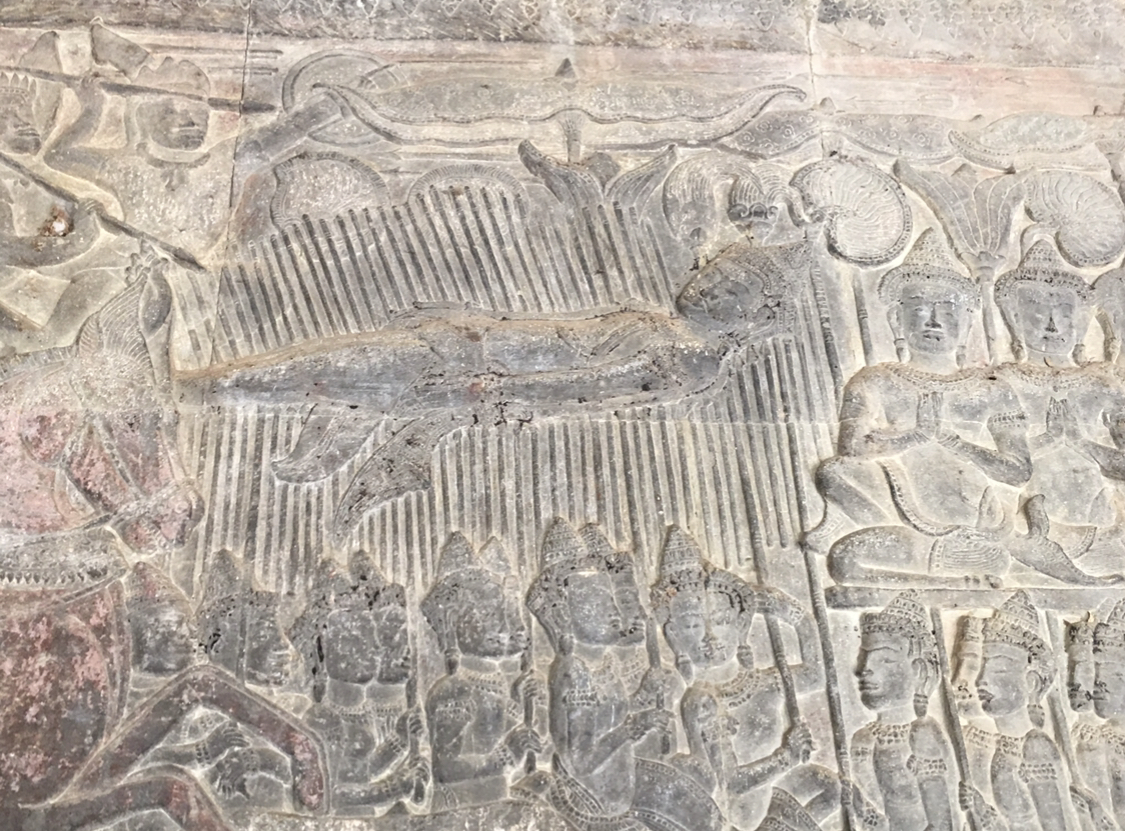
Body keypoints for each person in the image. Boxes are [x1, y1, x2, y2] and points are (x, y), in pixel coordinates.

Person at [813, 230, 1031, 587]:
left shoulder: (992, 389)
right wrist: (915, 436)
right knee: (834, 479)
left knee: (993, 556)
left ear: (966, 323)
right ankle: (953, 580)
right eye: (919, 309)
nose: (933, 321)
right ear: (897, 320)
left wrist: (955, 443)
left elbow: (1018, 472)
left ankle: (957, 563)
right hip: (897, 511)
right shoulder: (875, 380)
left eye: (947, 310)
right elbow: (851, 448)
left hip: (972, 525)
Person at [526, 517, 672, 815]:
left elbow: (611, 714)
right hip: (587, 801)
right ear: (565, 614)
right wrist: (633, 728)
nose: (613, 611)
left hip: (617, 796)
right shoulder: (573, 671)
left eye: (610, 599)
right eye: (596, 601)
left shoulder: (604, 664)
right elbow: (580, 760)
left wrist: (645, 694)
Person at [294, 551, 428, 815]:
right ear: (323, 651)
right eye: (352, 639)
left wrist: (400, 740)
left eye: (369, 636)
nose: (371, 649)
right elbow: (325, 794)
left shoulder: (360, 711)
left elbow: (364, 771)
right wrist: (394, 788)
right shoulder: (321, 719)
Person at [422, 533, 542, 810]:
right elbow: (446, 769)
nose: (505, 625)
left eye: (506, 613)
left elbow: (523, 742)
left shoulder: (495, 684)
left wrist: (529, 710)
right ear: (453, 623)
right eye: (488, 614)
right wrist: (506, 755)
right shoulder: (455, 690)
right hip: (464, 808)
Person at [960, 591, 1076, 831]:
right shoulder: (1002, 744)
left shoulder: (1036, 746)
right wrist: (981, 810)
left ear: (1031, 682)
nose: (981, 680)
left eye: (999, 670)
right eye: (982, 668)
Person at [848, 591, 956, 831]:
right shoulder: (862, 738)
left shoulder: (922, 733)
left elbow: (941, 824)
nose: (864, 669)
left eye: (885, 660)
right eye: (864, 658)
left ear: (918, 670)